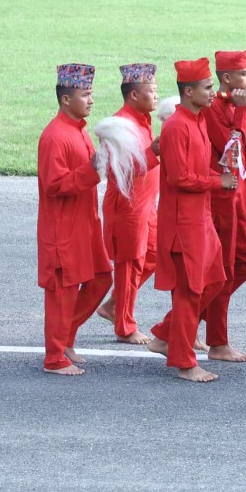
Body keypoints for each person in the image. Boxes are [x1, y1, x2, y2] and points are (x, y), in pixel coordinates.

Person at [147, 58, 236, 383]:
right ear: (188, 91)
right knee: (189, 292)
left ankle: (164, 334)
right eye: (208, 87)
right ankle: (185, 362)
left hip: (201, 220)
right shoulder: (176, 126)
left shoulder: (197, 120)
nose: (214, 93)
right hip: (183, 225)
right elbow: (181, 178)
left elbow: (196, 169)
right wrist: (218, 182)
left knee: (215, 281)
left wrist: (218, 174)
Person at [36, 64, 113, 375]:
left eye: (91, 93)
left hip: (85, 224)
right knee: (62, 292)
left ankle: (66, 338)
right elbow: (54, 185)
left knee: (101, 278)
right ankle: (54, 358)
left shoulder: (78, 131)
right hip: (62, 229)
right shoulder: (55, 136)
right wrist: (93, 170)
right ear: (66, 100)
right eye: (85, 94)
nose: (91, 100)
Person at [200, 50, 246, 363]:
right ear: (227, 78)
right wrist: (242, 111)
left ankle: (182, 323)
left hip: (244, 196)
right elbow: (231, 146)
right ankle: (216, 341)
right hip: (223, 198)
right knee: (225, 270)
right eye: (245, 74)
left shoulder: (234, 105)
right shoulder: (213, 108)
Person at [95, 63, 161, 345]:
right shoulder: (118, 125)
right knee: (130, 264)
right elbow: (116, 171)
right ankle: (125, 326)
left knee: (154, 255)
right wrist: (155, 151)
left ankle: (113, 305)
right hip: (128, 207)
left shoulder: (144, 119)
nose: (157, 96)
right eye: (152, 91)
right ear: (134, 95)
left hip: (147, 205)